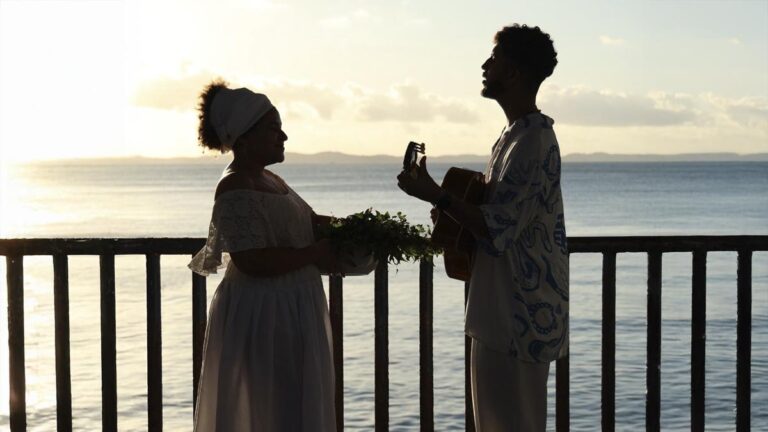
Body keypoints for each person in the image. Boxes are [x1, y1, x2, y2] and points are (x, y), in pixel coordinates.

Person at [397, 24, 568, 431]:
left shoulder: (533, 142)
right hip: (501, 313)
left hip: (519, 316)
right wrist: (448, 210)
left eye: (493, 59)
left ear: (513, 71)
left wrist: (436, 195)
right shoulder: (515, 136)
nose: (484, 66)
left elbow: (498, 230)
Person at [189, 80, 341, 431]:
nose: (283, 136)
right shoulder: (235, 186)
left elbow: (306, 223)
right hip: (264, 315)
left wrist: (356, 230)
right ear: (244, 138)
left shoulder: (269, 178)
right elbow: (251, 260)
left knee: (293, 406)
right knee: (272, 409)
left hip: (290, 307)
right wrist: (314, 253)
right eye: (274, 128)